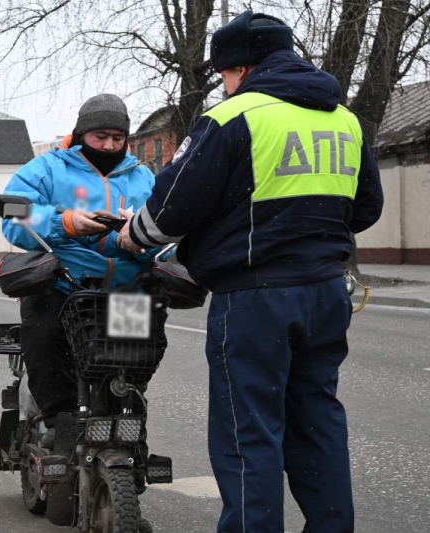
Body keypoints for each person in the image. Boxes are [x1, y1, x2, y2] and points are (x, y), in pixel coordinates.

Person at [117, 11, 383, 533]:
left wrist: (134, 235)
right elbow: (365, 207)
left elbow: (172, 207)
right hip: (327, 292)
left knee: (249, 432)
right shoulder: (342, 118)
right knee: (318, 420)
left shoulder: (234, 116)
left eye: (223, 75)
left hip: (255, 296)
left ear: (237, 68)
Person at [1, 94, 158, 450]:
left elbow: (169, 229)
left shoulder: (144, 177)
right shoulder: (44, 169)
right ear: (81, 132)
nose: (109, 145)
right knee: (46, 337)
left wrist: (142, 239)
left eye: (118, 138)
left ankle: (128, 418)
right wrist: (65, 223)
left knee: (133, 362)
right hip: (61, 285)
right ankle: (59, 420)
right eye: (100, 136)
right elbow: (12, 219)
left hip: (125, 287)